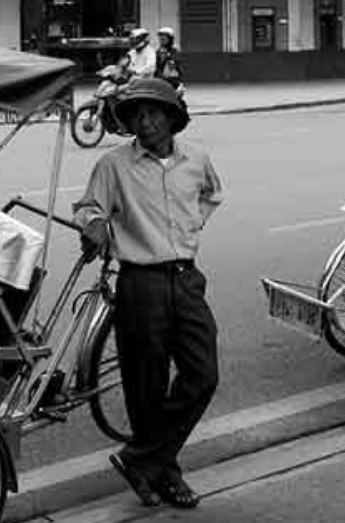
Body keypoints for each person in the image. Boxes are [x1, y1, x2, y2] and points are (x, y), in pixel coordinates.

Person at [73, 78, 223, 510]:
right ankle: (165, 472)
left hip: (187, 279)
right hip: (140, 283)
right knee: (146, 387)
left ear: (173, 117)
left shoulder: (197, 158)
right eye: (137, 114)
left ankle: (139, 458)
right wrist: (96, 225)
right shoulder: (113, 165)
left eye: (154, 112)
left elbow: (212, 194)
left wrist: (191, 225)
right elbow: (89, 207)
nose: (146, 121)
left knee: (202, 375)